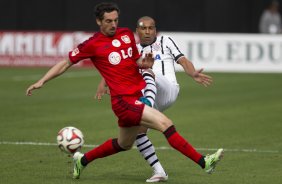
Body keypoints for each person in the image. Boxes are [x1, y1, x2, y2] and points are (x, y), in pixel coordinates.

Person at [26, 2, 224, 181]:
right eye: (108, 21)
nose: (113, 24)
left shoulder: (126, 34)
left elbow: (135, 60)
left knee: (124, 144)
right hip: (123, 101)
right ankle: (204, 163)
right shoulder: (92, 44)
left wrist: (143, 63)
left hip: (134, 96)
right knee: (165, 123)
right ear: (98, 21)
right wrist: (42, 80)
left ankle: (82, 160)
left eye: (116, 20)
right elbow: (65, 63)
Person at [95, 16, 214, 182]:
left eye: (151, 28)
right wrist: (103, 83)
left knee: (146, 70)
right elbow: (117, 70)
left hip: (168, 89)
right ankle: (159, 171)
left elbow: (183, 60)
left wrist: (192, 73)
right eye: (143, 28)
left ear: (155, 30)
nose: (147, 31)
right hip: (150, 94)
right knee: (138, 132)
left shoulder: (166, 41)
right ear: (137, 31)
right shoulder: (133, 49)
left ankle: (147, 103)